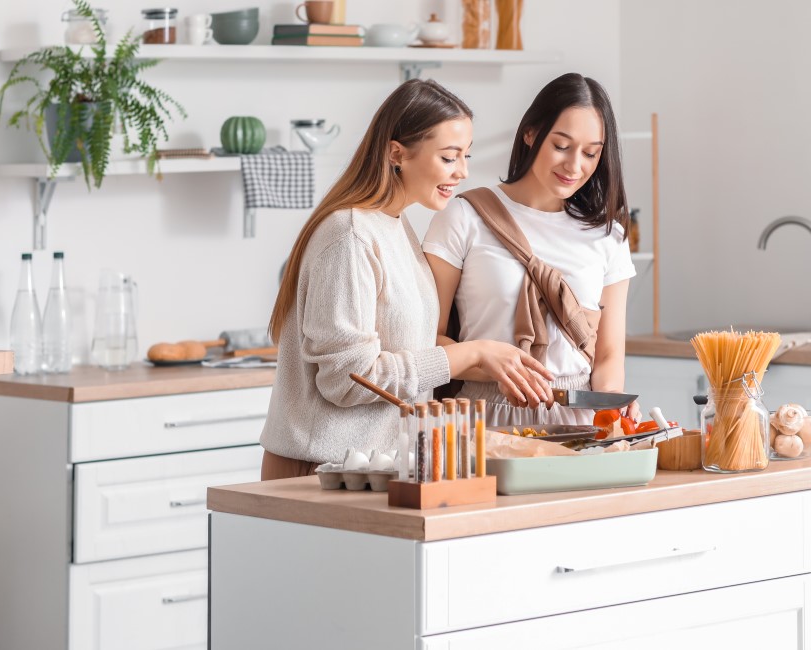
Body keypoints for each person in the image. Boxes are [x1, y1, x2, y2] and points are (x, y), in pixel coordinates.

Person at [259, 79, 552, 480]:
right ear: (397, 153)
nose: (462, 171)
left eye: (465, 155)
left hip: (372, 468)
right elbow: (347, 379)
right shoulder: (350, 234)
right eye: (449, 157)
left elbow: (405, 351)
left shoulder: (396, 226)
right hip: (319, 471)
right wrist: (471, 353)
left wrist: (496, 363)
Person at [423, 73, 637, 428]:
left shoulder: (608, 235)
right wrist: (486, 361)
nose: (575, 166)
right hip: (485, 419)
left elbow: (608, 355)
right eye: (561, 146)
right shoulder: (464, 216)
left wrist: (612, 404)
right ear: (531, 134)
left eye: (590, 153)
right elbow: (425, 340)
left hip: (578, 421)